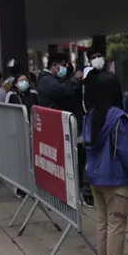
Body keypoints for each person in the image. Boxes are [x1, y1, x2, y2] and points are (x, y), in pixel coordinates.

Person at [84, 72, 128, 255]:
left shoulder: (90, 115)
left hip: (95, 177)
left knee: (103, 222)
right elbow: (126, 152)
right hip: (116, 179)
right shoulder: (119, 118)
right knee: (117, 223)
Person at [38, 53, 93, 206]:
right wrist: (76, 79)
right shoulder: (46, 80)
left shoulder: (55, 80)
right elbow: (62, 91)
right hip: (56, 127)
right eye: (62, 65)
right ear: (54, 65)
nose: (64, 69)